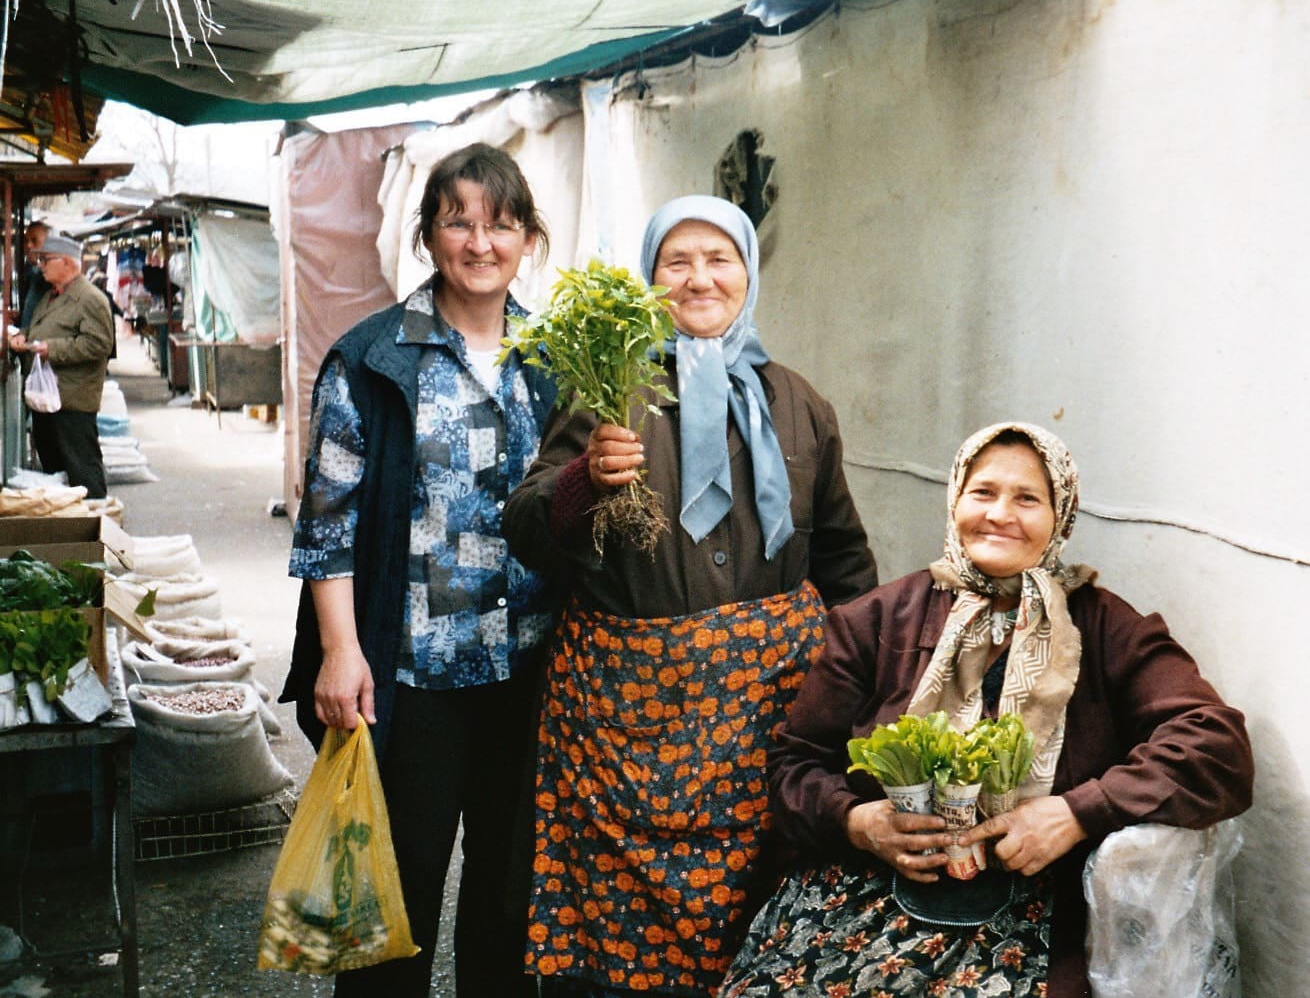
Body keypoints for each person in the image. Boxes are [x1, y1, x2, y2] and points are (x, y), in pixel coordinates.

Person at [718, 421, 1254, 998]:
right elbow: (795, 765)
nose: (1000, 514)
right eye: (983, 492)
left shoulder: (1104, 629)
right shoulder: (878, 620)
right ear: (955, 500)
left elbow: (1215, 746)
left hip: (1031, 909)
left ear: (1061, 516)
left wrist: (1075, 813)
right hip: (866, 890)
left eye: (1027, 499)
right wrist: (860, 822)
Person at [503, 194, 878, 997]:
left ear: (748, 273)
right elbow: (527, 527)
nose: (700, 279)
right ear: (650, 281)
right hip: (626, 724)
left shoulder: (799, 404)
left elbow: (844, 558)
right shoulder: (608, 394)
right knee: (621, 935)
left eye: (719, 260)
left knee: (753, 913)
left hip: (763, 716)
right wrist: (583, 480)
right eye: (677, 262)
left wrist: (867, 689)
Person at [281, 142, 557, 998]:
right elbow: (326, 523)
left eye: (501, 224)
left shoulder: (553, 360)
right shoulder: (373, 360)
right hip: (413, 675)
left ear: (528, 238)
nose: (480, 243)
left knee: (508, 901)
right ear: (428, 236)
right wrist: (340, 651)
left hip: (527, 669)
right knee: (394, 898)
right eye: (458, 222)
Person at [10, 232, 115, 499]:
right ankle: (70, 522)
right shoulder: (51, 296)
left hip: (72, 400)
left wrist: (51, 349)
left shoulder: (90, 299)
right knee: (56, 473)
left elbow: (98, 344)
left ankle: (96, 518)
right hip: (48, 399)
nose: (41, 266)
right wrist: (23, 335)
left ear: (67, 262)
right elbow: (42, 327)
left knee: (82, 470)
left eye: (46, 260)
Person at [19, 220, 51, 332]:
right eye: (26, 241)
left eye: (34, 240)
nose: (28, 245)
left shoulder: (53, 278)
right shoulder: (31, 272)